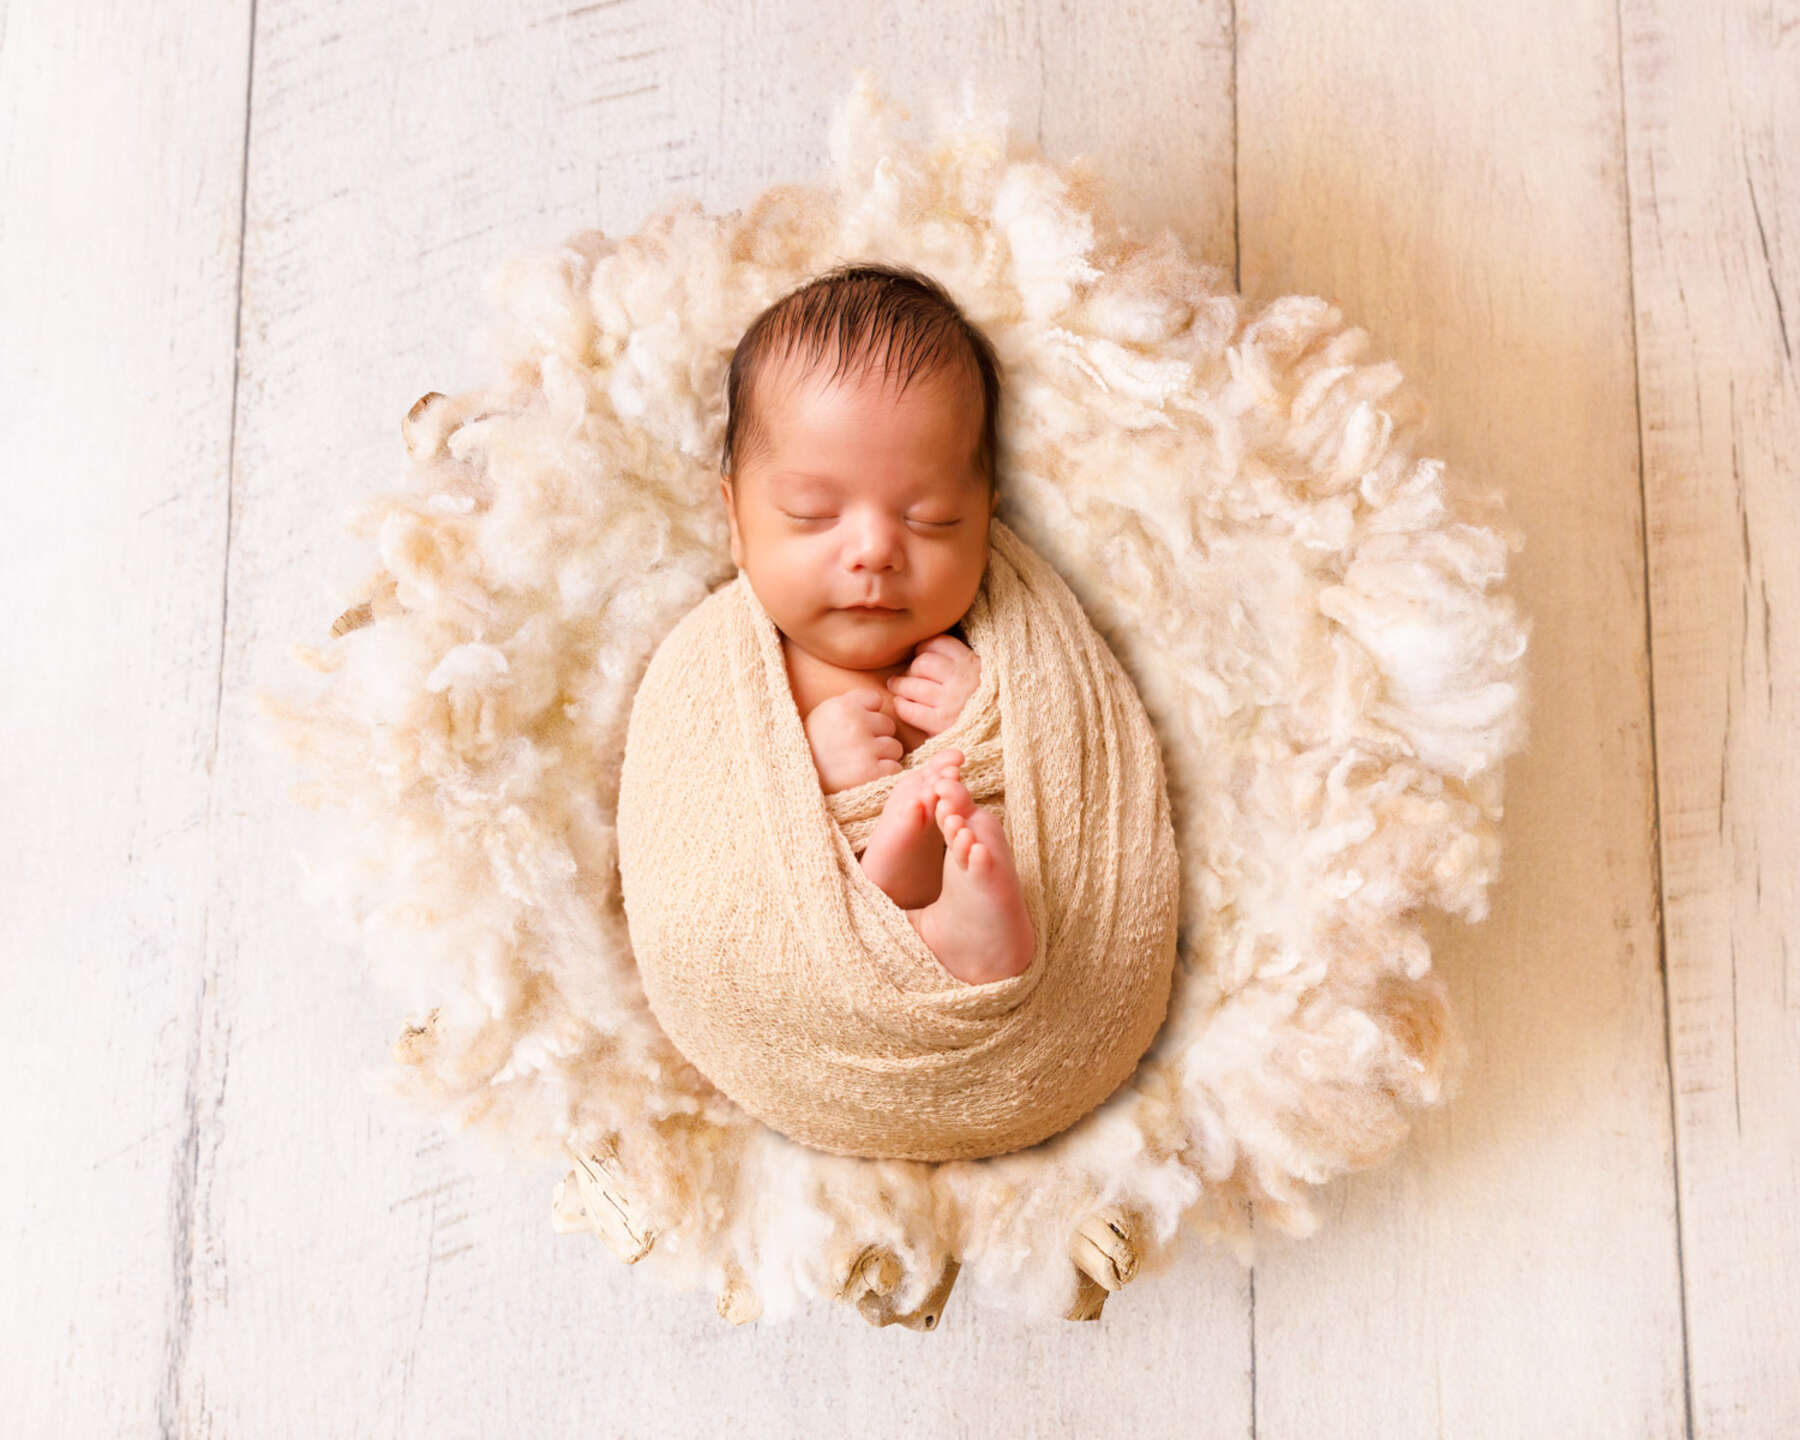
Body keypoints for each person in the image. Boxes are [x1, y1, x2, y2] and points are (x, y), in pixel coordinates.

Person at [716, 263, 1034, 985]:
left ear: (987, 518)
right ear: (736, 520)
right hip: (808, 966)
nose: (874, 551)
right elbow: (706, 824)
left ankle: (954, 922)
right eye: (812, 515)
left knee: (974, 835)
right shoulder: (728, 675)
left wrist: (984, 717)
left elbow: (1061, 763)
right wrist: (807, 772)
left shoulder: (990, 647)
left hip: (983, 922)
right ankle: (917, 922)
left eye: (932, 520)